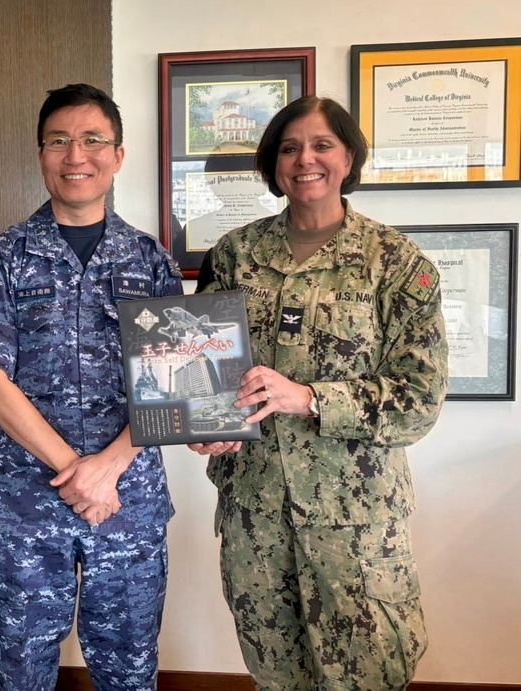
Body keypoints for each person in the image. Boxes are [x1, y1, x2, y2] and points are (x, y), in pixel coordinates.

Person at [191, 95, 448, 690]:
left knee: (371, 677)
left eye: (322, 144)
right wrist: (203, 425)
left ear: (349, 156)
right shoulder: (235, 255)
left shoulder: (397, 264)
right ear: (273, 164)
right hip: (255, 517)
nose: (304, 159)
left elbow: (418, 402)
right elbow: (201, 367)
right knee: (275, 677)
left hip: (357, 526)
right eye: (288, 147)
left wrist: (307, 397)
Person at [0, 83, 183, 690]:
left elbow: (175, 385)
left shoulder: (150, 260)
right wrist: (77, 471)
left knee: (129, 667)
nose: (75, 155)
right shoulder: (5, 256)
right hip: (26, 502)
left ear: (118, 154)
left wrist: (109, 469)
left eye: (92, 140)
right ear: (40, 154)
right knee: (20, 668)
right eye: (59, 141)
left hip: (128, 501)